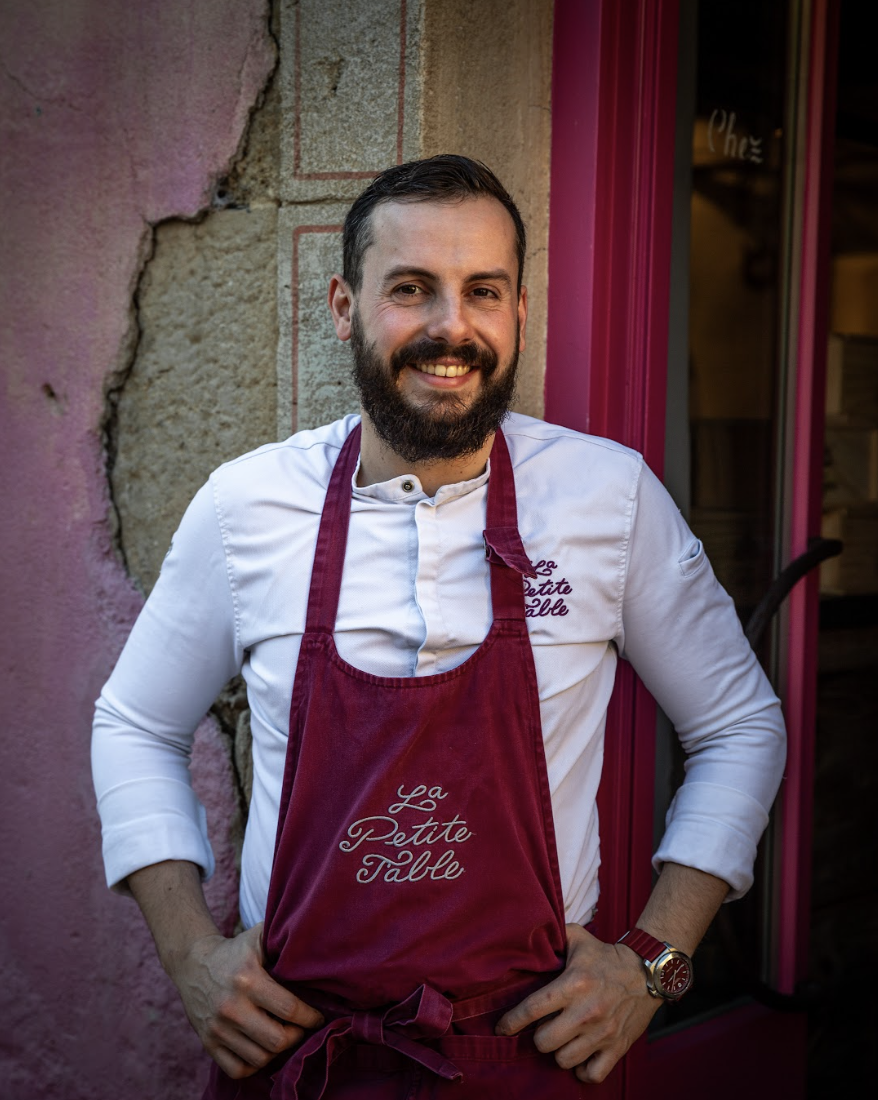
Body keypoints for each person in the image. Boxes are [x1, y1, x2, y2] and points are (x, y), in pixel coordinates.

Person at [92, 154, 786, 1098]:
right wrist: (188, 958)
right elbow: (134, 724)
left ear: (520, 313)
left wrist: (653, 962)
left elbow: (740, 725)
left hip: (535, 1057)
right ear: (345, 306)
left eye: (483, 291)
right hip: (296, 1058)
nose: (450, 327)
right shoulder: (248, 505)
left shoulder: (607, 498)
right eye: (410, 289)